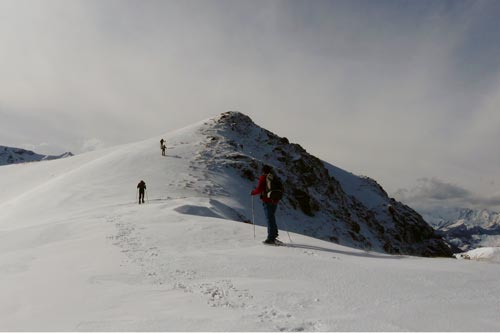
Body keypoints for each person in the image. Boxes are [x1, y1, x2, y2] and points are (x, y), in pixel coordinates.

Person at [251, 165, 281, 244]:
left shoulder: (263, 177)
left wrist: (253, 192)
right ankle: (274, 235)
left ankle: (271, 238)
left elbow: (260, 189)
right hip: (275, 200)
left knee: (269, 218)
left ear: (263, 171)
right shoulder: (274, 177)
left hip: (267, 200)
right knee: (272, 217)